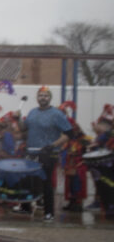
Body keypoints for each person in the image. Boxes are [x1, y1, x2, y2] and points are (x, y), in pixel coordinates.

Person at [22, 87, 72, 220]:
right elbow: (24, 129)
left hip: (48, 152)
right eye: (40, 95)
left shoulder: (56, 114)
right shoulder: (32, 112)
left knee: (46, 181)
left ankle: (48, 212)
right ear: (37, 98)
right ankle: (26, 207)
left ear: (50, 98)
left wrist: (53, 145)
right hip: (31, 151)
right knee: (28, 180)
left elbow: (69, 133)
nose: (42, 98)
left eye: (45, 96)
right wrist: (17, 119)